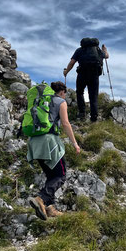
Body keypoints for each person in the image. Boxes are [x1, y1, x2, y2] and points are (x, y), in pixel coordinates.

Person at [28, 81, 80, 220]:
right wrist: (75, 143)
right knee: (61, 175)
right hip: (49, 142)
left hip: (34, 142)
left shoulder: (40, 101)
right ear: (62, 92)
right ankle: (41, 198)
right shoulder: (61, 102)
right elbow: (65, 123)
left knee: (51, 176)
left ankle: (50, 208)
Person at [63, 38, 109, 122]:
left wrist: (66, 71)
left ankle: (82, 113)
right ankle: (94, 118)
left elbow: (72, 63)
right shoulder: (98, 51)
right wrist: (105, 50)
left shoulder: (79, 50)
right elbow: (107, 56)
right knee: (93, 96)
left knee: (80, 92)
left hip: (82, 74)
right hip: (94, 75)